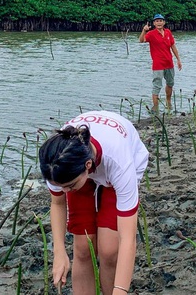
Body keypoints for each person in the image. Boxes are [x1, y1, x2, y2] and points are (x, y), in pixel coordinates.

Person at [39, 110, 149, 295]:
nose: (64, 192)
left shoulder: (120, 163)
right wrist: (59, 253)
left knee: (109, 250)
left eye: (68, 186)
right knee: (83, 247)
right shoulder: (55, 163)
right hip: (78, 172)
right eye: (61, 186)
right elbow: (58, 204)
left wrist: (120, 291)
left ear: (88, 166)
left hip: (114, 169)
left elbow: (128, 239)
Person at [139, 14, 183, 113]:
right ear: (154, 23)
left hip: (169, 63)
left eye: (161, 21)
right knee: (157, 86)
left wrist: (178, 60)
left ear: (164, 22)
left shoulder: (168, 32)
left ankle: (168, 101)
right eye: (157, 21)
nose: (159, 22)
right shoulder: (151, 34)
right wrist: (144, 30)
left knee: (170, 83)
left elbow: (173, 46)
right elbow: (141, 40)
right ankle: (155, 107)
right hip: (158, 65)